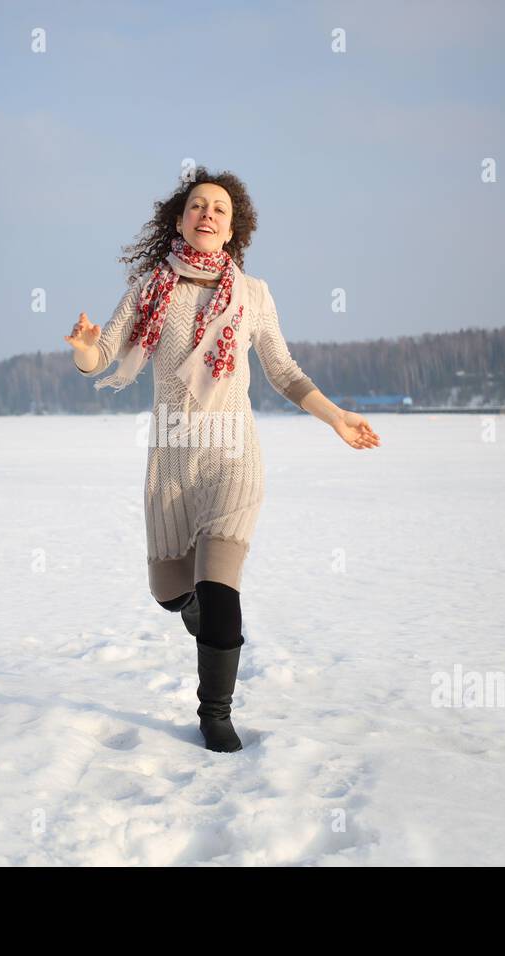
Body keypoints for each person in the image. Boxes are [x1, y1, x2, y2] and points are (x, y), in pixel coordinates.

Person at [64, 168, 380, 752]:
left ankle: (216, 714)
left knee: (220, 588)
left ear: (234, 229)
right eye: (197, 206)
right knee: (170, 592)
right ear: (179, 219)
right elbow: (102, 355)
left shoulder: (252, 295)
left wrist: (337, 417)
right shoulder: (150, 288)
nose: (207, 213)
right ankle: (199, 615)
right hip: (171, 462)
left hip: (235, 457)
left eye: (220, 209)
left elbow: (284, 372)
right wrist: (85, 351)